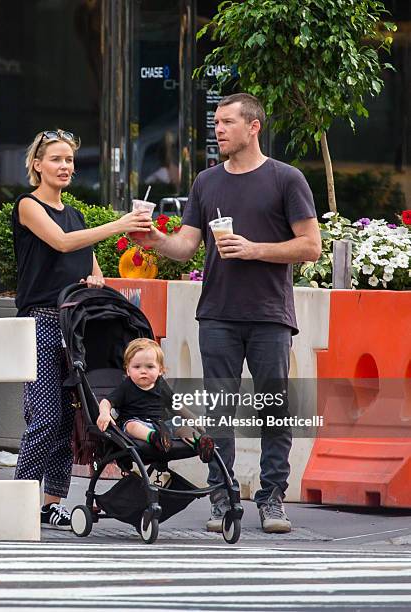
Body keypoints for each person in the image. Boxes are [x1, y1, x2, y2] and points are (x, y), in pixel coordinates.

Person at [133, 93, 322, 533]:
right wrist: (156, 242)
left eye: (227, 122)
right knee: (219, 412)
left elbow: (311, 246)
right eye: (216, 122)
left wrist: (255, 249)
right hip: (216, 313)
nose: (218, 129)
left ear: (253, 126)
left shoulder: (286, 179)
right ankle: (222, 499)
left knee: (272, 408)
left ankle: (272, 499)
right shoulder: (206, 182)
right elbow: (185, 245)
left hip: (270, 313)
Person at [13, 129, 152, 530]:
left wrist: (95, 282)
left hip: (76, 323)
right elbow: (60, 243)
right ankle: (20, 495)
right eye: (56, 159)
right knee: (44, 414)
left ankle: (51, 502)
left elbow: (95, 272)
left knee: (70, 416)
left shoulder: (75, 214)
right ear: (37, 165)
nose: (65, 167)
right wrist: (119, 224)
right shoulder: (28, 205)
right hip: (40, 319)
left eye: (70, 161)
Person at [96, 338, 215, 463]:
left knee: (181, 425)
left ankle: (200, 443)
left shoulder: (161, 384)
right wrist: (104, 414)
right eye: (137, 367)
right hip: (138, 423)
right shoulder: (127, 386)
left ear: (160, 370)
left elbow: (176, 405)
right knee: (132, 425)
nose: (143, 371)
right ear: (128, 370)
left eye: (150, 367)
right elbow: (107, 401)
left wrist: (193, 419)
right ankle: (154, 438)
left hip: (161, 425)